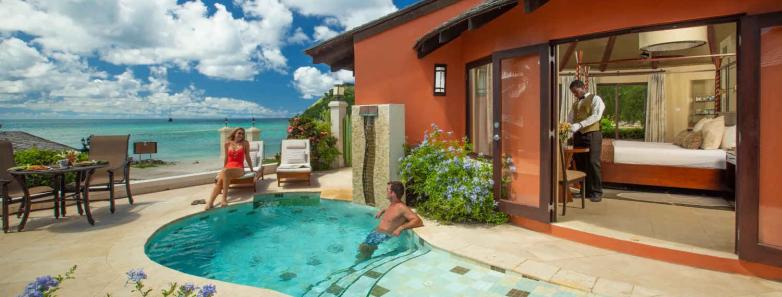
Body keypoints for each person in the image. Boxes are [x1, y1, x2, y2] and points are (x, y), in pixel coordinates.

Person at [357, 181, 423, 261]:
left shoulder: (401, 207)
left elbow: (418, 221)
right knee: (362, 248)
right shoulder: (393, 204)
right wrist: (383, 210)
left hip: (382, 236)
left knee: (364, 251)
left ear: (392, 193)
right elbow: (393, 213)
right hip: (376, 233)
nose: (386, 192)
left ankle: (358, 268)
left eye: (387, 190)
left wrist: (400, 228)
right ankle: (361, 264)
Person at [567, 79, 605, 202]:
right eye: (573, 93)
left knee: (593, 162)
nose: (575, 95)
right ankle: (585, 191)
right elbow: (570, 118)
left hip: (592, 134)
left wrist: (580, 125)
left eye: (576, 92)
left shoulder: (596, 99)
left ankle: (596, 192)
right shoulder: (575, 104)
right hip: (578, 136)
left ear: (583, 87)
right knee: (580, 163)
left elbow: (596, 116)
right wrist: (567, 127)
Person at [205, 128, 255, 210]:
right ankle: (210, 202)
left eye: (243, 134)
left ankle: (223, 199)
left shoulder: (245, 143)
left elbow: (248, 157)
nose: (241, 135)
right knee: (220, 181)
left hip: (239, 168)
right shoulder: (227, 144)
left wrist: (251, 169)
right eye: (239, 133)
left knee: (225, 173)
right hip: (228, 168)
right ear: (234, 133)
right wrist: (223, 169)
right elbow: (226, 158)